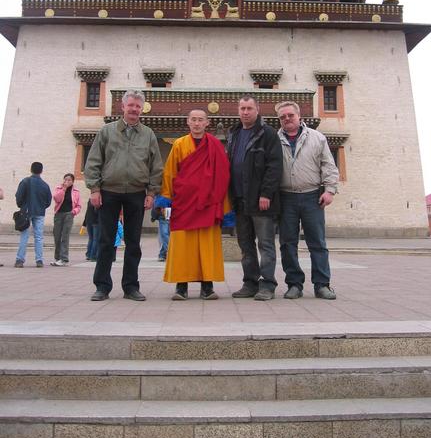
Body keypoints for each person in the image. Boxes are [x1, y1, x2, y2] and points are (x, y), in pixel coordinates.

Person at [84, 89, 163, 301]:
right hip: (109, 192)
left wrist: (152, 192)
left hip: (137, 193)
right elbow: (93, 162)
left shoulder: (148, 135)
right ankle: (102, 285)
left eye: (138, 106)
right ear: (123, 107)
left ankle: (130, 286)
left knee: (133, 242)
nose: (134, 109)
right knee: (106, 241)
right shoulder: (107, 131)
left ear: (142, 109)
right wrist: (94, 189)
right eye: (131, 105)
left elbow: (156, 167)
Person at [160, 109, 230, 300]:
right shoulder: (179, 144)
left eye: (201, 120)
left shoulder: (215, 145)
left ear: (207, 123)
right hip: (184, 203)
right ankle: (181, 286)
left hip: (208, 203)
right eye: (194, 120)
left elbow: (223, 175)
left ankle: (207, 286)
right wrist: (166, 197)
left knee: (207, 246)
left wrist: (224, 205)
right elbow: (170, 172)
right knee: (183, 245)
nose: (197, 123)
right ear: (188, 122)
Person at [276, 101, 339, 300]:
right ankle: (294, 284)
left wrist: (330, 190)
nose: (287, 119)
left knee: (317, 243)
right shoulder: (274, 140)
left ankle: (322, 284)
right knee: (287, 243)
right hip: (286, 198)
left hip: (313, 197)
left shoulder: (317, 138)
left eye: (290, 115)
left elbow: (329, 165)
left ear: (299, 116)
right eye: (282, 117)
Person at [227, 96, 283, 301]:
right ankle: (249, 283)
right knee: (245, 245)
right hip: (240, 200)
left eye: (249, 108)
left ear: (257, 110)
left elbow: (274, 167)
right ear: (238, 110)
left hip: (261, 200)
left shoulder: (267, 134)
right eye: (242, 108)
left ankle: (267, 285)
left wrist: (266, 193)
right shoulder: (234, 133)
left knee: (265, 245)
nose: (245, 112)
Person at [14, 162, 52, 268]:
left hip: (26, 211)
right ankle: (39, 261)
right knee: (39, 237)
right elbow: (48, 201)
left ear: (31, 169)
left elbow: (19, 196)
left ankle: (20, 260)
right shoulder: (45, 185)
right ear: (41, 171)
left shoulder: (25, 181)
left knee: (24, 236)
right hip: (40, 212)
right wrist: (41, 207)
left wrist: (21, 206)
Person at [51, 173, 81, 266]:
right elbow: (57, 199)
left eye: (69, 180)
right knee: (57, 236)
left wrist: (74, 212)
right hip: (58, 214)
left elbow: (79, 206)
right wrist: (63, 189)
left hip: (69, 214)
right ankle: (58, 258)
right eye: (65, 179)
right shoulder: (59, 188)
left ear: (72, 181)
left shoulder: (76, 191)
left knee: (65, 236)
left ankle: (64, 259)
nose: (67, 181)